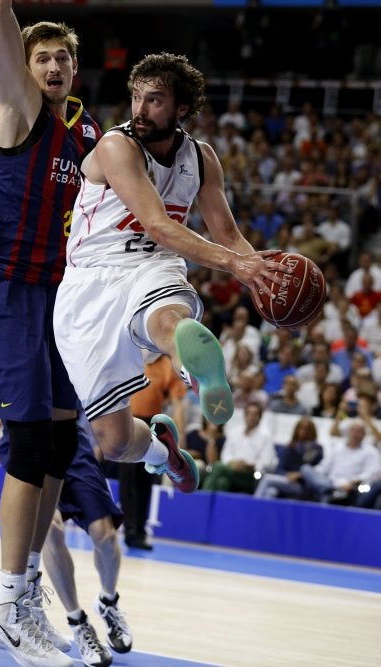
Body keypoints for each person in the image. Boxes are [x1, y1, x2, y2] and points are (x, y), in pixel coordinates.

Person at [53, 52, 290, 496]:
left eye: (155, 100)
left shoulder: (201, 158)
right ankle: (164, 452)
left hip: (152, 266)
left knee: (169, 319)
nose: (140, 110)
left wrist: (259, 271)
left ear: (182, 108)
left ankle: (194, 371)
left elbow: (227, 233)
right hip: (91, 281)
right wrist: (234, 264)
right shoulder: (115, 145)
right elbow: (159, 225)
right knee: (116, 442)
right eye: (136, 98)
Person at [0, 3, 100, 666]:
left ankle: (19, 594)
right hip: (12, 293)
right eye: (41, 57)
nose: (52, 66)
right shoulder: (19, 111)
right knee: (27, 440)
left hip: (61, 300)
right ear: (23, 69)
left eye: (63, 58)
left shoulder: (85, 137)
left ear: (75, 71)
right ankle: (12, 598)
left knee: (60, 440)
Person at [0, 410, 132, 667]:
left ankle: (108, 601)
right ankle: (77, 622)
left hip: (70, 437)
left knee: (105, 534)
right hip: (28, 434)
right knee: (50, 528)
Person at [120, 349, 187, 550]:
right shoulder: (130, 357)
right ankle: (129, 530)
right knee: (128, 478)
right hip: (127, 420)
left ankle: (139, 531)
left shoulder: (168, 366)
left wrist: (180, 436)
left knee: (146, 478)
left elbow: (178, 404)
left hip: (152, 425)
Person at [202, 401, 277, 493]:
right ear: (245, 415)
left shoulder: (266, 437)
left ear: (260, 417)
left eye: (255, 415)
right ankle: (219, 506)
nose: (251, 417)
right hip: (231, 469)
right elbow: (226, 454)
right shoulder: (235, 432)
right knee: (222, 483)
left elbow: (267, 461)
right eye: (249, 414)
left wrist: (248, 464)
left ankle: (203, 499)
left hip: (250, 473)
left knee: (217, 466)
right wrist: (233, 463)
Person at [300, 420, 381, 504]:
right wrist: (308, 474)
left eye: (359, 431)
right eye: (353, 430)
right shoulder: (336, 447)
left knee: (366, 488)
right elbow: (324, 467)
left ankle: (328, 493)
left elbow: (371, 474)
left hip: (353, 487)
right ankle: (329, 490)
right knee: (305, 469)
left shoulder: (371, 451)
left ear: (364, 434)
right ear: (349, 432)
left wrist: (352, 483)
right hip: (330, 482)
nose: (355, 434)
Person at [254, 417, 323, 500]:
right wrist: (288, 475)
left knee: (267, 479)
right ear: (296, 430)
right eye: (301, 428)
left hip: (303, 484)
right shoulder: (289, 448)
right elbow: (279, 469)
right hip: (286, 480)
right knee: (271, 491)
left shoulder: (317, 449)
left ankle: (253, 506)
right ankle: (262, 512)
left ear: (313, 432)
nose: (304, 431)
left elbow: (318, 472)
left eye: (307, 429)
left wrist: (300, 475)